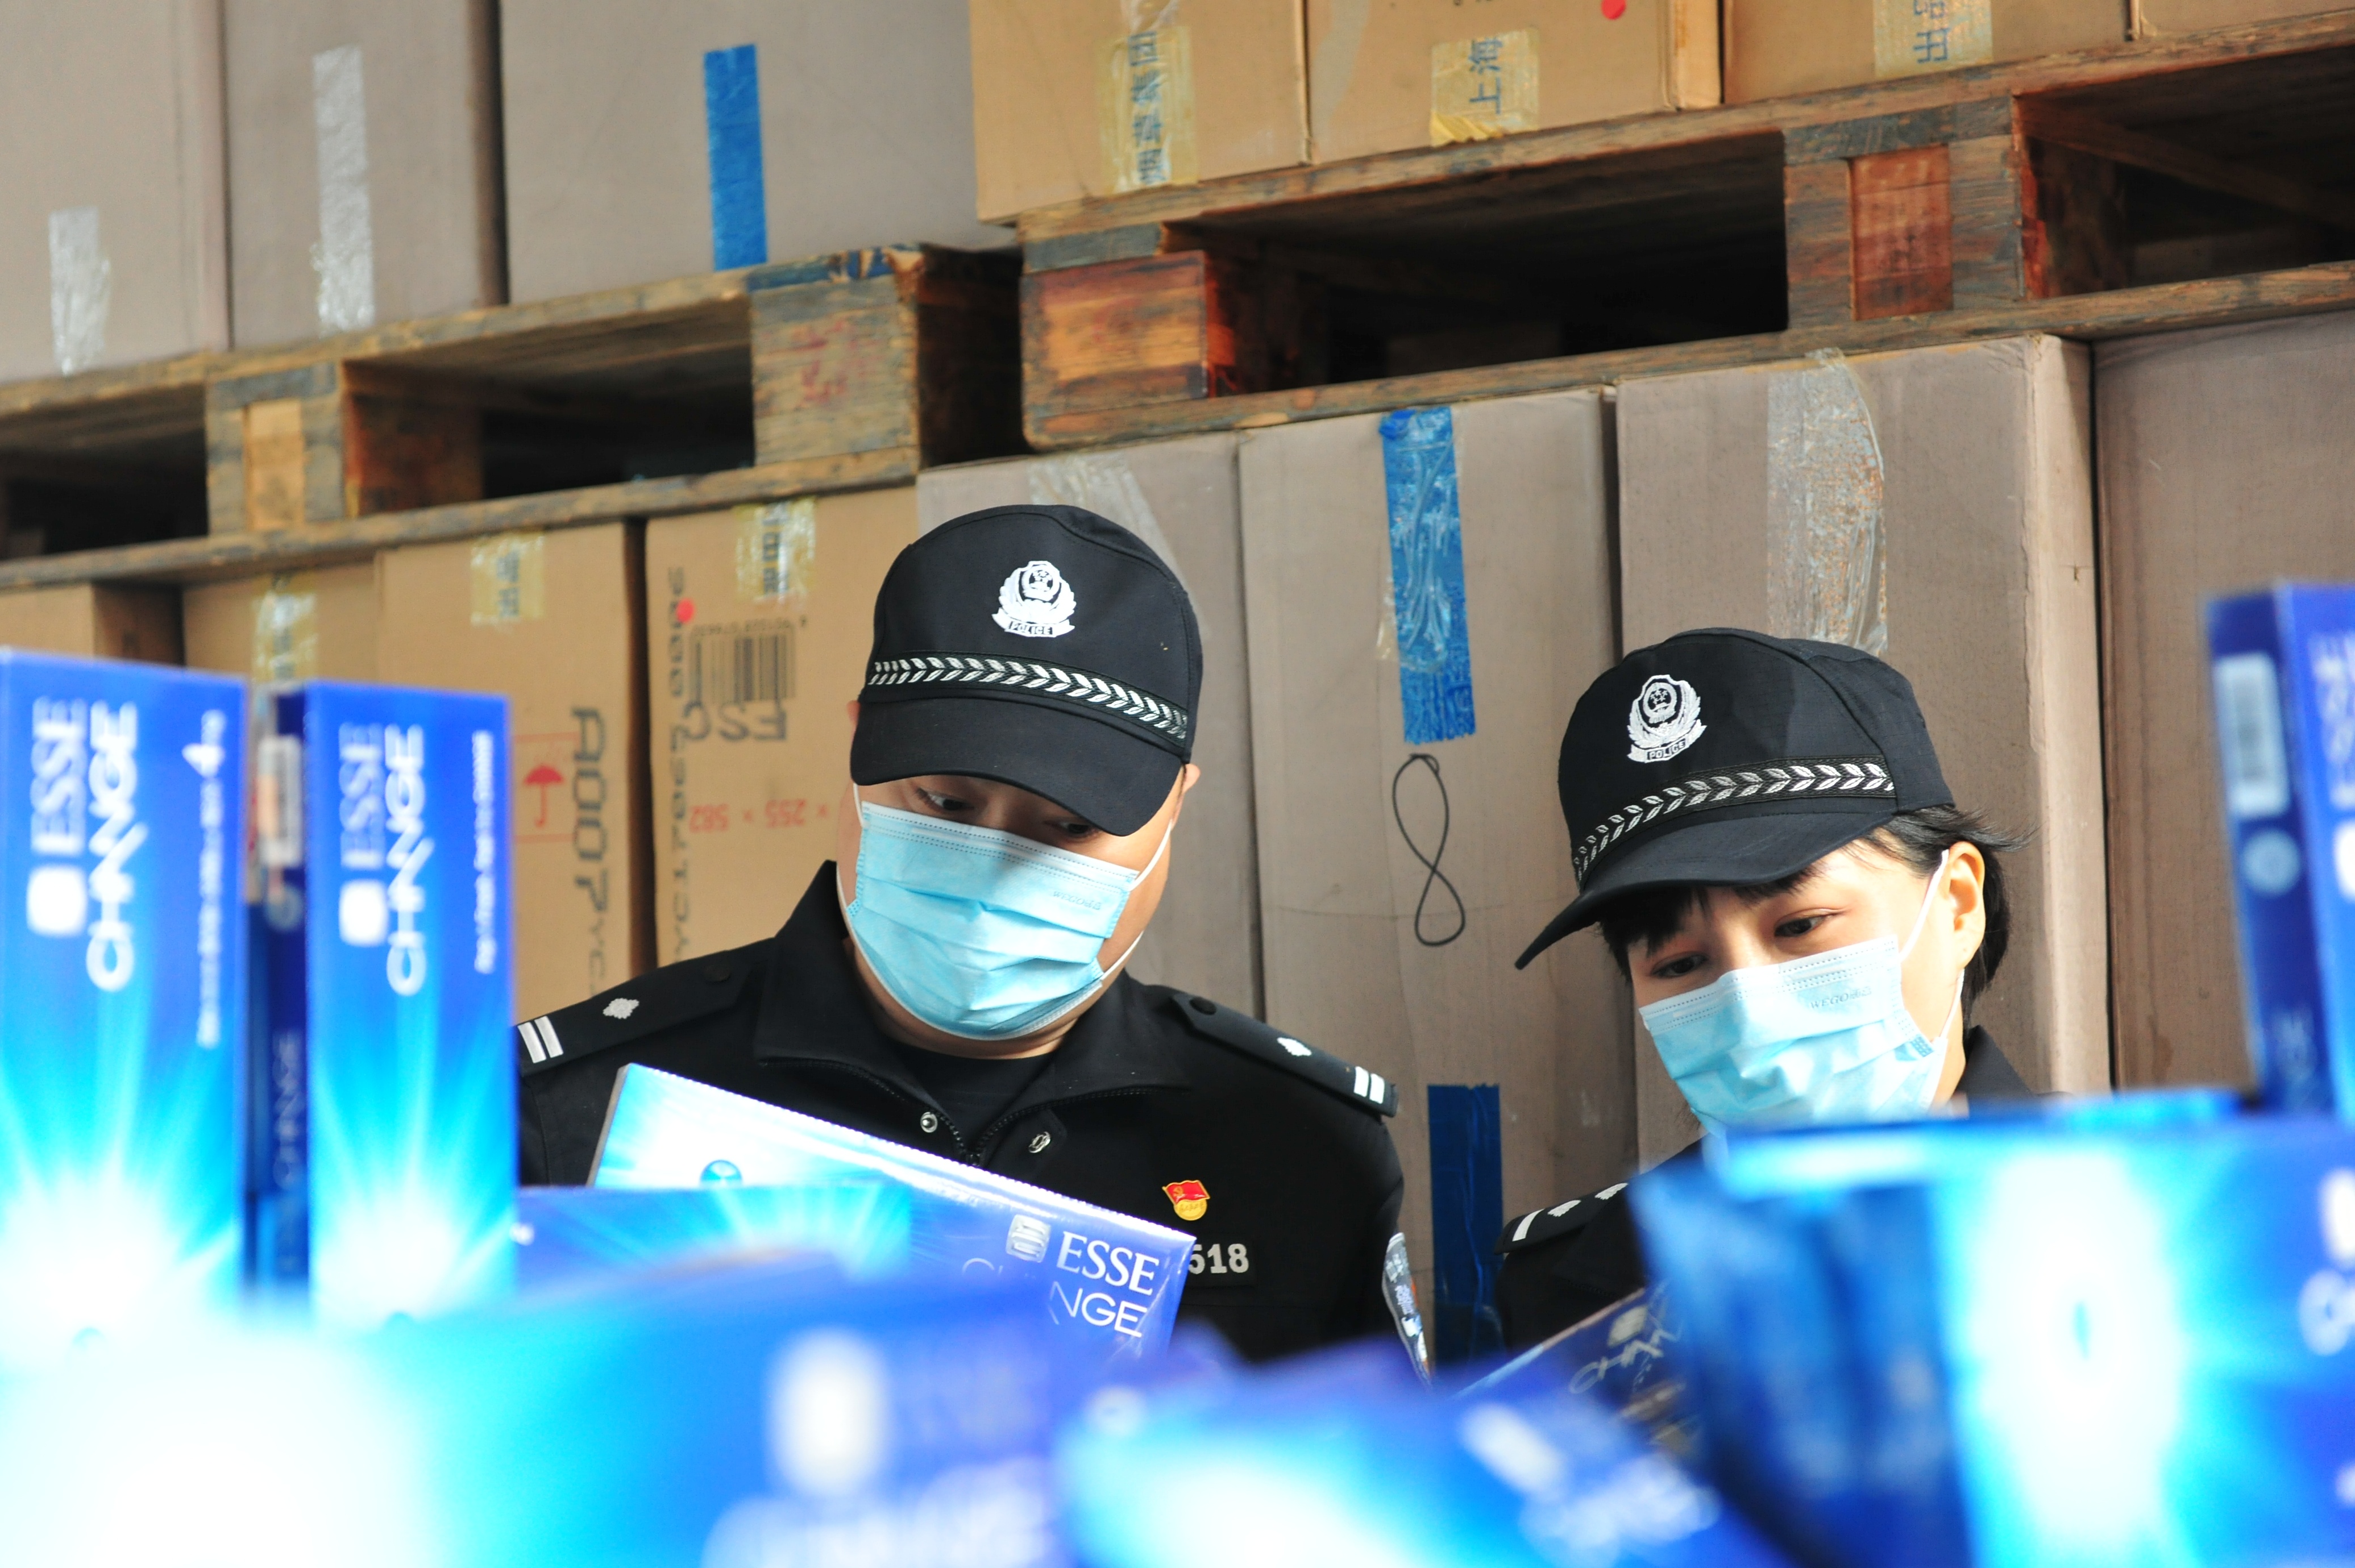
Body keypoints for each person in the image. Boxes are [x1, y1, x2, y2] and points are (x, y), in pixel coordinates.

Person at [514, 504, 1404, 1361]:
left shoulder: (1299, 1148)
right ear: (859, 748)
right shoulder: (574, 1113)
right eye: (945, 803)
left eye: (1068, 827)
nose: (994, 864)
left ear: (1175, 805)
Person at [1494, 628, 2034, 1350]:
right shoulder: (1567, 1285)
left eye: (1800, 926)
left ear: (1957, 906)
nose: (1748, 1008)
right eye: (1679, 965)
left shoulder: (2142, 1213)